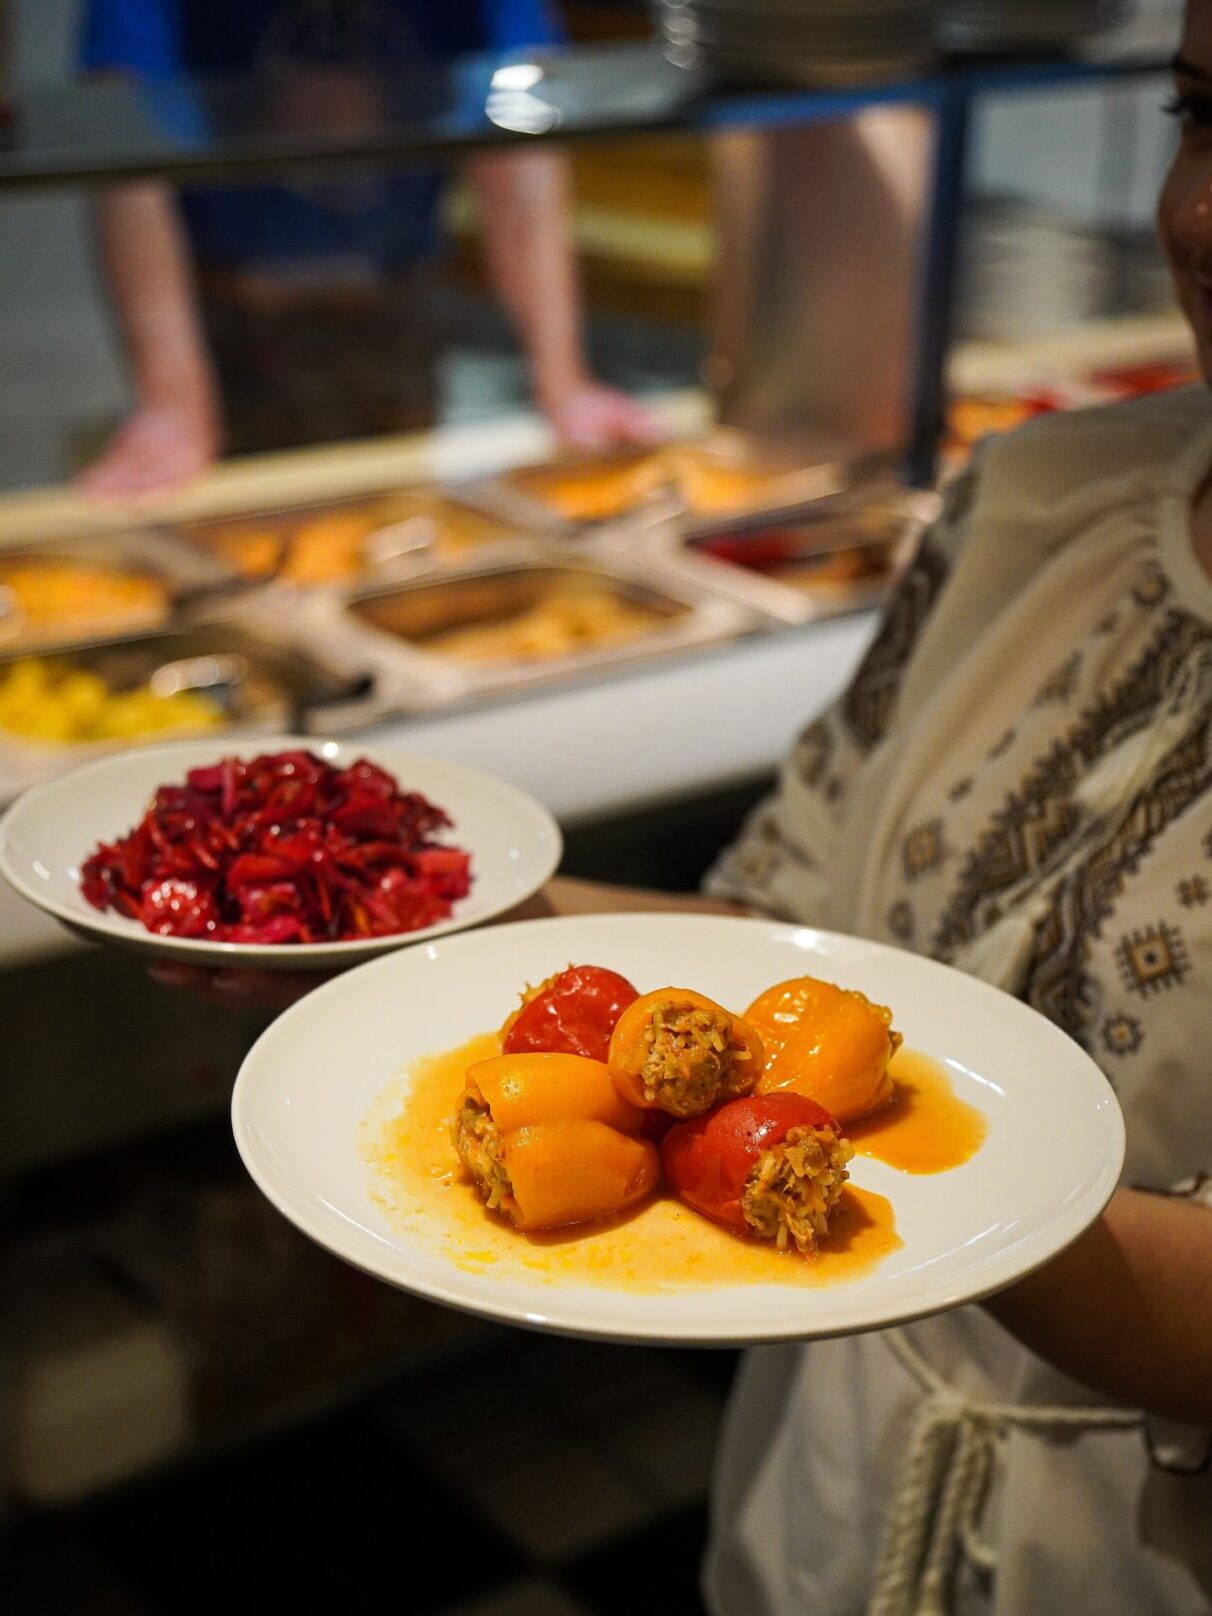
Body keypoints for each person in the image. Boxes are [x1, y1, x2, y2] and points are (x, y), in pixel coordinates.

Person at [151, 3, 1212, 1608]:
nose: (1197, 215)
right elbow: (785, 932)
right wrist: (416, 924)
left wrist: (887, 1189)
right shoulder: (1035, 501)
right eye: (1198, 115)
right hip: (821, 1495)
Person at [75, 0, 658, 501]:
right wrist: (172, 402)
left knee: (399, 521)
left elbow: (521, 143)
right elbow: (124, 145)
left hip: (399, 310)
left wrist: (563, 380)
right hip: (226, 320)